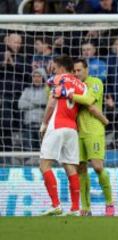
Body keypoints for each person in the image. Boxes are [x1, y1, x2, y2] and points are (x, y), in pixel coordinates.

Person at [39, 56, 87, 216]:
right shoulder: (82, 85)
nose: (53, 70)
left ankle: (56, 205)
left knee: (44, 164)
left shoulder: (57, 79)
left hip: (57, 125)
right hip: (72, 128)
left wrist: (44, 123)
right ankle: (75, 208)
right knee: (70, 167)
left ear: (61, 68)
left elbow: (52, 102)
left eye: (54, 68)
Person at [71, 58, 113, 216]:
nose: (76, 73)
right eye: (74, 71)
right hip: (77, 132)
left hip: (94, 131)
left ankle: (109, 203)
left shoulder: (95, 82)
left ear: (86, 69)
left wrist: (70, 95)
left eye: (79, 70)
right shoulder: (73, 86)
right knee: (81, 169)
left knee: (97, 166)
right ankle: (86, 208)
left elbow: (89, 101)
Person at [18, 68, 48, 152]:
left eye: (39, 76)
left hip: (43, 126)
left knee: (43, 152)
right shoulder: (27, 90)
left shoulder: (47, 90)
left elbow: (46, 102)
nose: (36, 79)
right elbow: (20, 104)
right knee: (28, 151)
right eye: (34, 76)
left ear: (43, 78)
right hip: (29, 126)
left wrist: (30, 102)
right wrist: (38, 104)